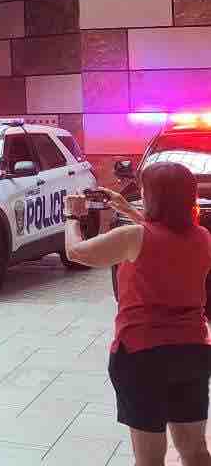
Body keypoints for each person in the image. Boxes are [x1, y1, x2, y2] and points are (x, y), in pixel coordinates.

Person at [64, 163, 211, 466]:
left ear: (151, 196)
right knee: (195, 450)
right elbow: (164, 237)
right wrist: (126, 208)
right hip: (192, 352)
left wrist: (71, 218)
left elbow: (76, 252)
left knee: (150, 458)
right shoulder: (202, 238)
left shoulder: (132, 238)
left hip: (143, 355)